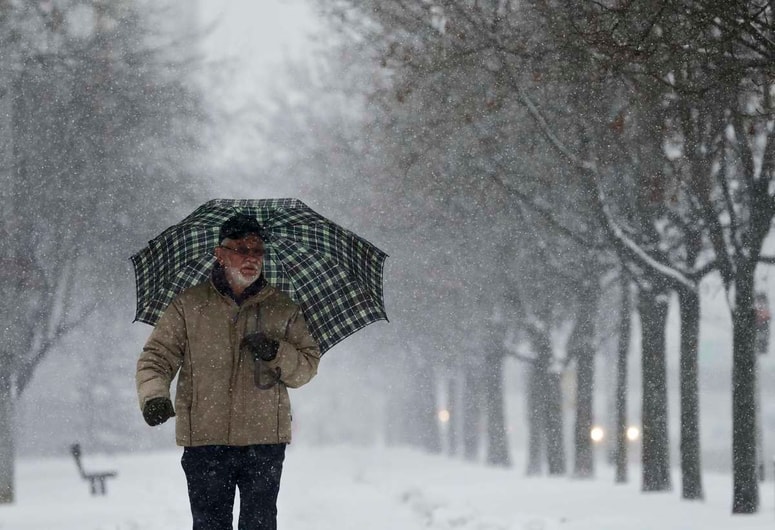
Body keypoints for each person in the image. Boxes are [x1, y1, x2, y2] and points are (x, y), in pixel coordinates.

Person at [136, 213, 321, 530]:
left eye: (257, 251)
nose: (251, 258)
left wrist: (276, 351)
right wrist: (153, 395)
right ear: (219, 254)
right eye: (240, 249)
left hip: (264, 441)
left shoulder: (283, 308)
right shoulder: (188, 305)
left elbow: (305, 368)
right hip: (205, 442)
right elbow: (156, 357)